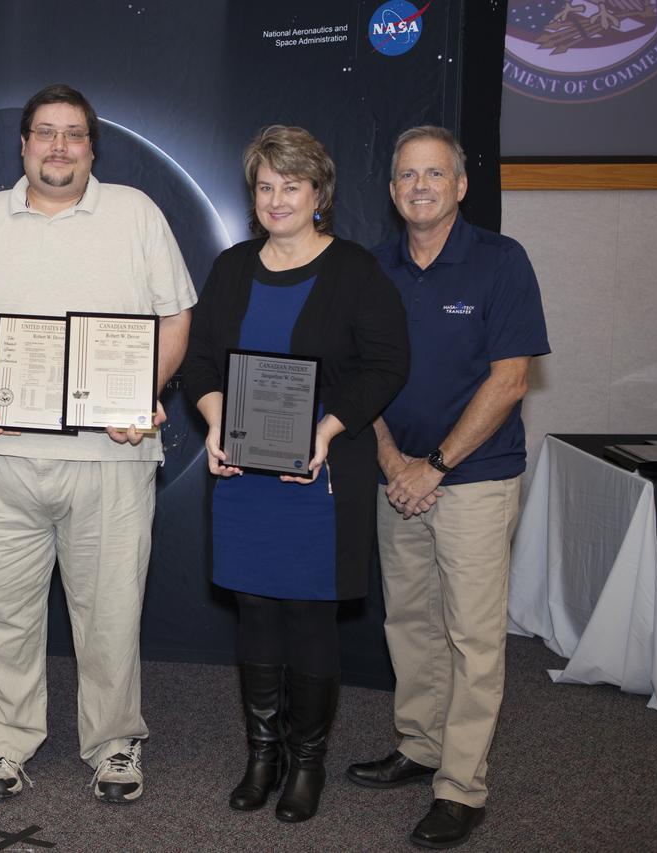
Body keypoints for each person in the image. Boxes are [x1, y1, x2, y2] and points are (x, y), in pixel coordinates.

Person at [0, 83, 195, 804]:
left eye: (73, 134)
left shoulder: (137, 216)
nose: (58, 147)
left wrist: (143, 395)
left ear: (92, 146)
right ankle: (0, 743)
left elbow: (176, 318)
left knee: (111, 612)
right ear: (22, 144)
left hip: (110, 458)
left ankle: (113, 744)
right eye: (45, 132)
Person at [182, 125, 410, 823]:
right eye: (265, 185)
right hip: (245, 474)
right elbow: (200, 362)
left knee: (310, 617)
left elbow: (386, 364)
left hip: (319, 475)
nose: (277, 198)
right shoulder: (230, 267)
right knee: (254, 610)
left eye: (292, 185)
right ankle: (263, 753)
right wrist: (216, 421)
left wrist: (328, 428)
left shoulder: (354, 271)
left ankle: (305, 764)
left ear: (320, 194)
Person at [344, 126, 549, 848]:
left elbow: (510, 378)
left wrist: (438, 464)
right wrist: (396, 461)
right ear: (392, 188)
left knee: (472, 635)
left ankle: (461, 785)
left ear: (460, 186)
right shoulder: (374, 267)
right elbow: (362, 376)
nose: (420, 186)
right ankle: (420, 744)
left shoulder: (500, 262)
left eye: (435, 174)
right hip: (397, 474)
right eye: (406, 175)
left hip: (476, 479)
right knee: (411, 622)